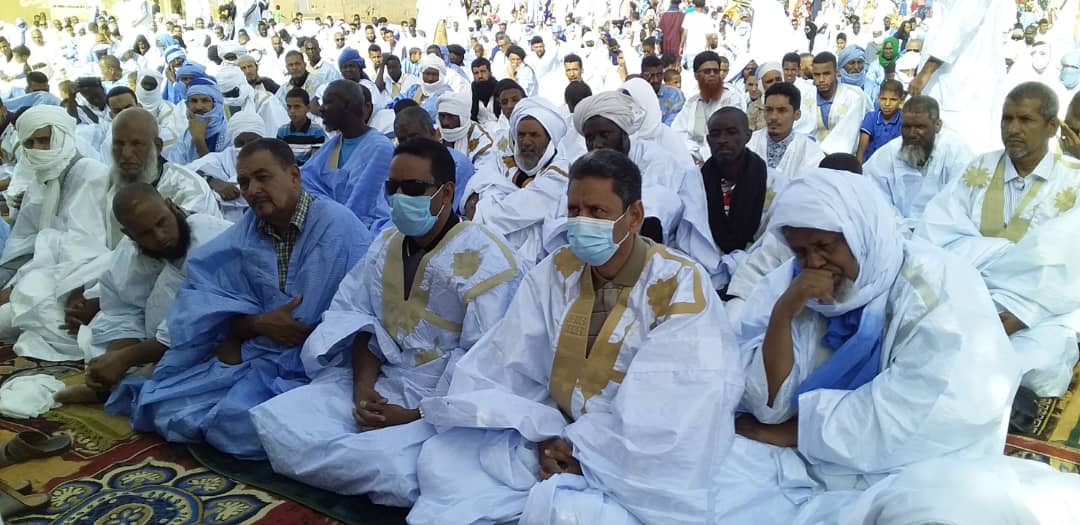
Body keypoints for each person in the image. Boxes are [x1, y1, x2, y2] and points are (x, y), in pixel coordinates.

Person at [407, 149, 758, 525]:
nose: (581, 222)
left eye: (597, 211)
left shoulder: (680, 285)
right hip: (547, 430)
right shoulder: (556, 270)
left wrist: (583, 453)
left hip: (630, 458)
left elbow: (671, 407)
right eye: (574, 210)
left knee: (568, 514)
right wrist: (543, 434)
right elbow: (509, 363)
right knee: (439, 465)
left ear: (634, 216)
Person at [733, 170, 1020, 525]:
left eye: (825, 246)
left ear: (861, 233)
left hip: (906, 460)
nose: (814, 264)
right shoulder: (790, 284)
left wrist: (797, 432)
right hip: (801, 452)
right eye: (801, 252)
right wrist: (783, 313)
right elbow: (766, 408)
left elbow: (928, 408)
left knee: (936, 511)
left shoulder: (934, 286)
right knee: (705, 474)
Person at [250, 137, 523, 505]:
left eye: (412, 188)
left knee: (393, 470)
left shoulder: (488, 259)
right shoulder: (385, 243)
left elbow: (486, 361)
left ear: (446, 193)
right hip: (382, 378)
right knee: (277, 421)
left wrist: (412, 415)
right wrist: (363, 390)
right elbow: (358, 318)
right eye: (391, 188)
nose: (398, 197)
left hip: (445, 399)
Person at [111, 138, 373, 459]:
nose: (253, 190)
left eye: (263, 177)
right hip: (261, 353)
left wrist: (292, 333)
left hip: (327, 362)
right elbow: (209, 298)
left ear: (294, 175)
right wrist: (256, 324)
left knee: (251, 424)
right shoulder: (248, 231)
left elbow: (363, 311)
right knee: (163, 403)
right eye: (245, 182)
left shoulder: (338, 227)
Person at [917, 82, 1080, 398]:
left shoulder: (1073, 178)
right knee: (930, 342)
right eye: (1007, 119)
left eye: (1025, 120)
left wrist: (1023, 312)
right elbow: (936, 232)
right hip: (967, 290)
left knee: (1041, 364)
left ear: (1051, 127)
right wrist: (999, 260)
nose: (1013, 129)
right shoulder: (979, 167)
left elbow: (1070, 264)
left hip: (1041, 307)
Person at [54, 184, 232, 404]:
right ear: (129, 234)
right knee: (98, 342)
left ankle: (122, 389)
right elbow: (123, 310)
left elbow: (193, 324)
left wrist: (126, 358)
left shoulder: (211, 238)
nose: (160, 236)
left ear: (173, 207)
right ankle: (116, 385)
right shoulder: (130, 252)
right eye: (145, 233)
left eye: (162, 222)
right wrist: (114, 359)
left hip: (218, 337)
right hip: (154, 343)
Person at [0, 106, 111, 361]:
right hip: (43, 275)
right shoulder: (40, 181)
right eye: (30, 143)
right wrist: (11, 283)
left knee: (14, 318)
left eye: (45, 140)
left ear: (63, 136)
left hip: (85, 283)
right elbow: (24, 243)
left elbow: (85, 247)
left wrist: (17, 288)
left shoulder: (92, 173)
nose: (38, 149)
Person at [466, 97, 568, 264]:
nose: (525, 142)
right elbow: (477, 183)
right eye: (521, 135)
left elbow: (516, 211)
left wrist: (481, 210)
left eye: (534, 135)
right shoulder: (503, 160)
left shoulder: (561, 173)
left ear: (549, 139)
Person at [908, 0, 1008, 154]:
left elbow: (961, 25)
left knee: (963, 146)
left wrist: (926, 72)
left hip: (963, 79)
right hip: (946, 76)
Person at [864, 95, 974, 229]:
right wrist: (900, 229)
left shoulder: (956, 151)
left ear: (937, 125)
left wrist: (926, 231)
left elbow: (962, 202)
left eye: (920, 127)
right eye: (906, 127)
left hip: (944, 231)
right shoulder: (888, 153)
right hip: (895, 230)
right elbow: (873, 197)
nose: (912, 134)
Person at [301, 80, 394, 235]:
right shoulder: (333, 145)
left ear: (347, 106)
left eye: (328, 102)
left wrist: (335, 221)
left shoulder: (380, 148)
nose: (321, 109)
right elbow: (306, 182)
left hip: (361, 232)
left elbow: (364, 205)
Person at [700, 107, 768, 264]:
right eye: (715, 134)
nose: (722, 140)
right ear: (708, 140)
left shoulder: (772, 183)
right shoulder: (695, 182)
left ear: (748, 136)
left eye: (731, 132)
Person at [186, 110, 264, 222]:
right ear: (233, 143)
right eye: (240, 143)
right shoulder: (220, 159)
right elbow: (183, 174)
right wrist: (210, 180)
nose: (246, 148)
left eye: (252, 142)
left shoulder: (273, 160)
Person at [394, 107, 474, 212]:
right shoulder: (399, 166)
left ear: (433, 134)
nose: (409, 145)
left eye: (415, 137)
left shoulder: (457, 164)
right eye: (402, 140)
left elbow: (444, 211)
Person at [673, 51, 747, 163]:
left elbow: (730, 137)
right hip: (693, 160)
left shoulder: (731, 99)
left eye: (716, 71)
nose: (712, 75)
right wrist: (694, 152)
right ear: (696, 76)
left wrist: (703, 157)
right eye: (707, 71)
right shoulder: (693, 102)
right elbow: (677, 133)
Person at [749, 82, 825, 182]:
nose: (773, 117)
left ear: (797, 115)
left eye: (782, 110)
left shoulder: (811, 152)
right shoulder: (750, 143)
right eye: (769, 110)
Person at [806, 52, 870, 154]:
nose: (821, 80)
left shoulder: (854, 96)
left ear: (836, 72)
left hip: (845, 158)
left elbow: (850, 133)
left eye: (826, 74)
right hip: (810, 157)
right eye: (817, 75)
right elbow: (801, 132)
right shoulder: (805, 97)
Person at [435, 91, 500, 182]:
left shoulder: (481, 139)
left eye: (451, 117)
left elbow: (483, 174)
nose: (445, 122)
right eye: (442, 116)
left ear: (463, 117)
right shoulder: (433, 134)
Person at [217, 64, 289, 137]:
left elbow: (277, 130)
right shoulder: (222, 106)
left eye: (233, 92)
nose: (231, 98)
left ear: (243, 84)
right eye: (226, 95)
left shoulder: (266, 101)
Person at [176, 76, 229, 164]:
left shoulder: (230, 134)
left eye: (205, 101)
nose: (199, 107)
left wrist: (199, 140)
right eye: (194, 101)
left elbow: (224, 171)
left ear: (216, 104)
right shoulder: (185, 137)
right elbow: (176, 168)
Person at [856, 79, 906, 163]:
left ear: (901, 100)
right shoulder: (871, 117)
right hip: (870, 164)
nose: (887, 104)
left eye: (893, 100)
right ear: (878, 98)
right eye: (883, 99)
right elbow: (861, 150)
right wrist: (858, 168)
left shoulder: (904, 119)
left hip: (893, 164)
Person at [276, 87, 326, 166]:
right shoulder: (282, 131)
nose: (292, 111)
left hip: (308, 171)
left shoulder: (317, 131)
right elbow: (280, 158)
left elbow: (315, 162)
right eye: (289, 107)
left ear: (308, 108)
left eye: (297, 107)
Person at [641, 54, 684, 126]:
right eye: (650, 76)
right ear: (642, 76)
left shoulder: (675, 95)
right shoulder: (635, 97)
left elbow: (674, 125)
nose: (655, 80)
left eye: (659, 75)